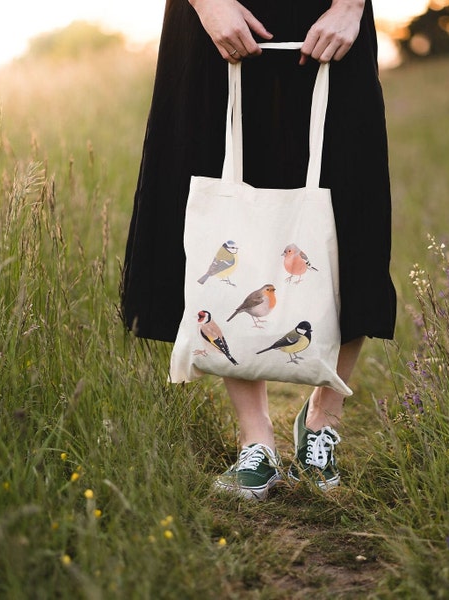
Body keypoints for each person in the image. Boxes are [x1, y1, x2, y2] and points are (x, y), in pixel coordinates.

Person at [121, 0, 396, 500]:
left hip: (332, 19)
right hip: (217, 20)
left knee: (352, 209)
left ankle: (321, 423)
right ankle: (257, 439)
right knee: (223, 207)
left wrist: (351, 6)